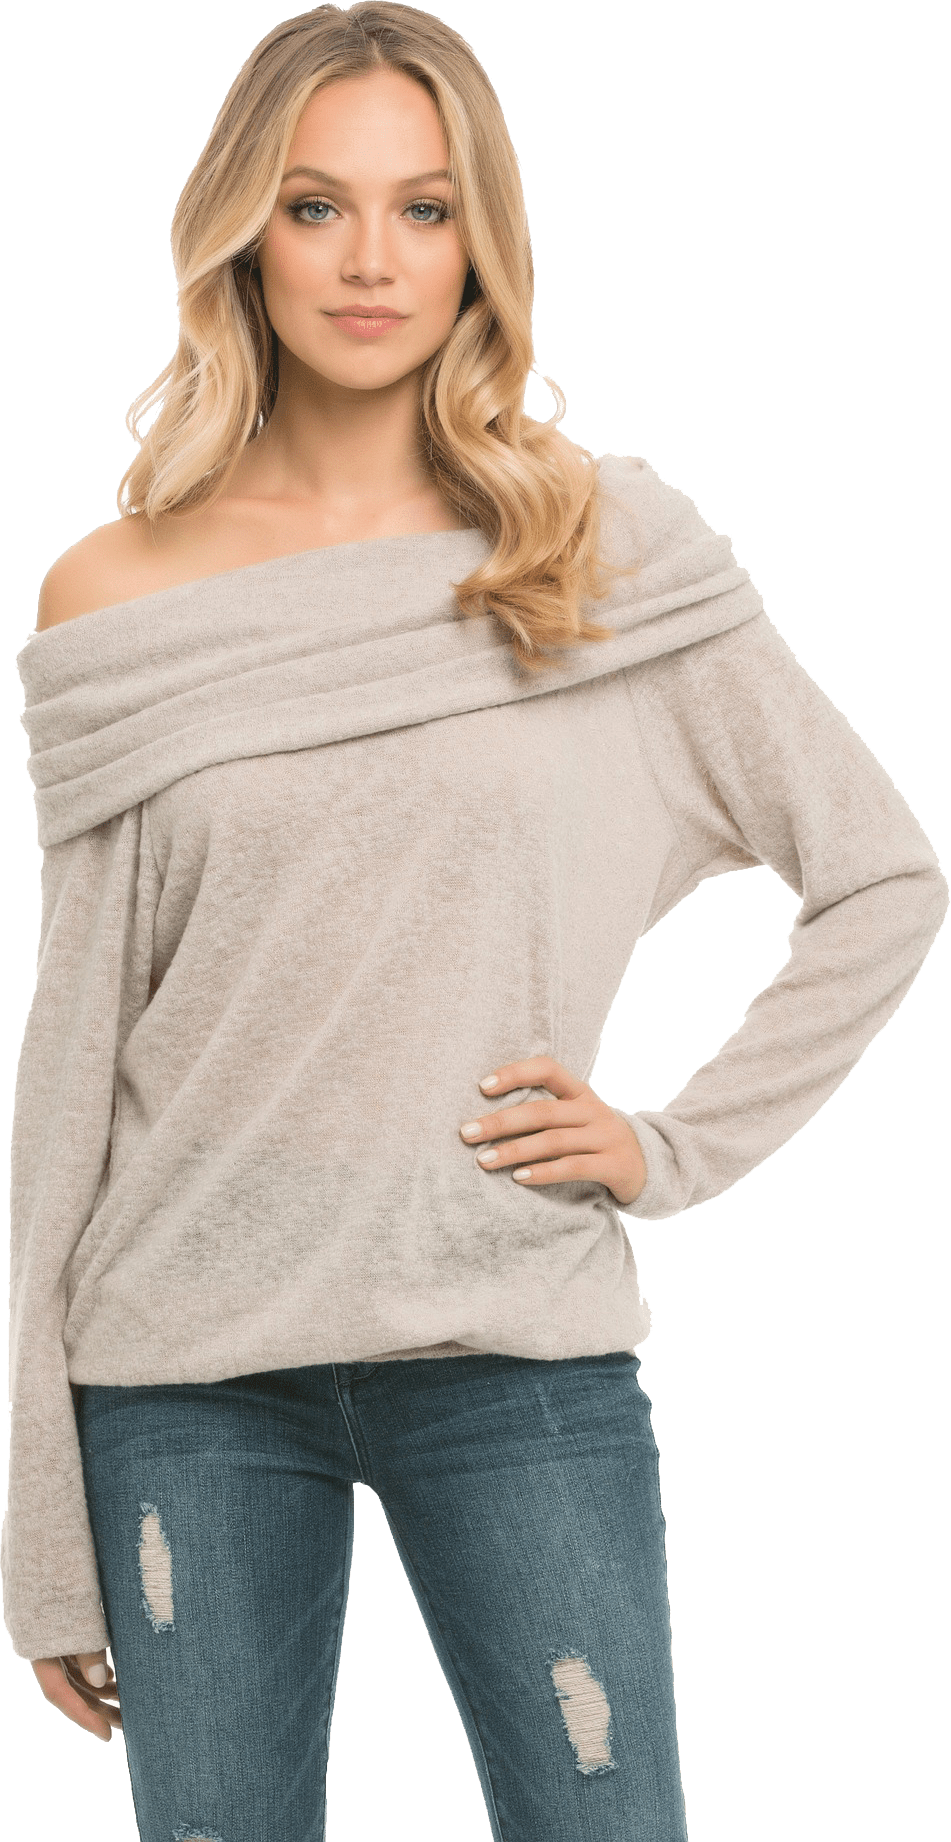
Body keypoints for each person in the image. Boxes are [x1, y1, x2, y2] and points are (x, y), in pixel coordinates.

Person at [3, 5, 947, 1839]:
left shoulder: (600, 550)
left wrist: (668, 1146)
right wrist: (44, 1513)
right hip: (182, 1373)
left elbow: (881, 877)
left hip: (512, 1340)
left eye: (423, 208)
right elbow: (70, 1059)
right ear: (241, 238)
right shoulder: (113, 595)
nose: (370, 260)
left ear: (480, 244)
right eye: (315, 205)